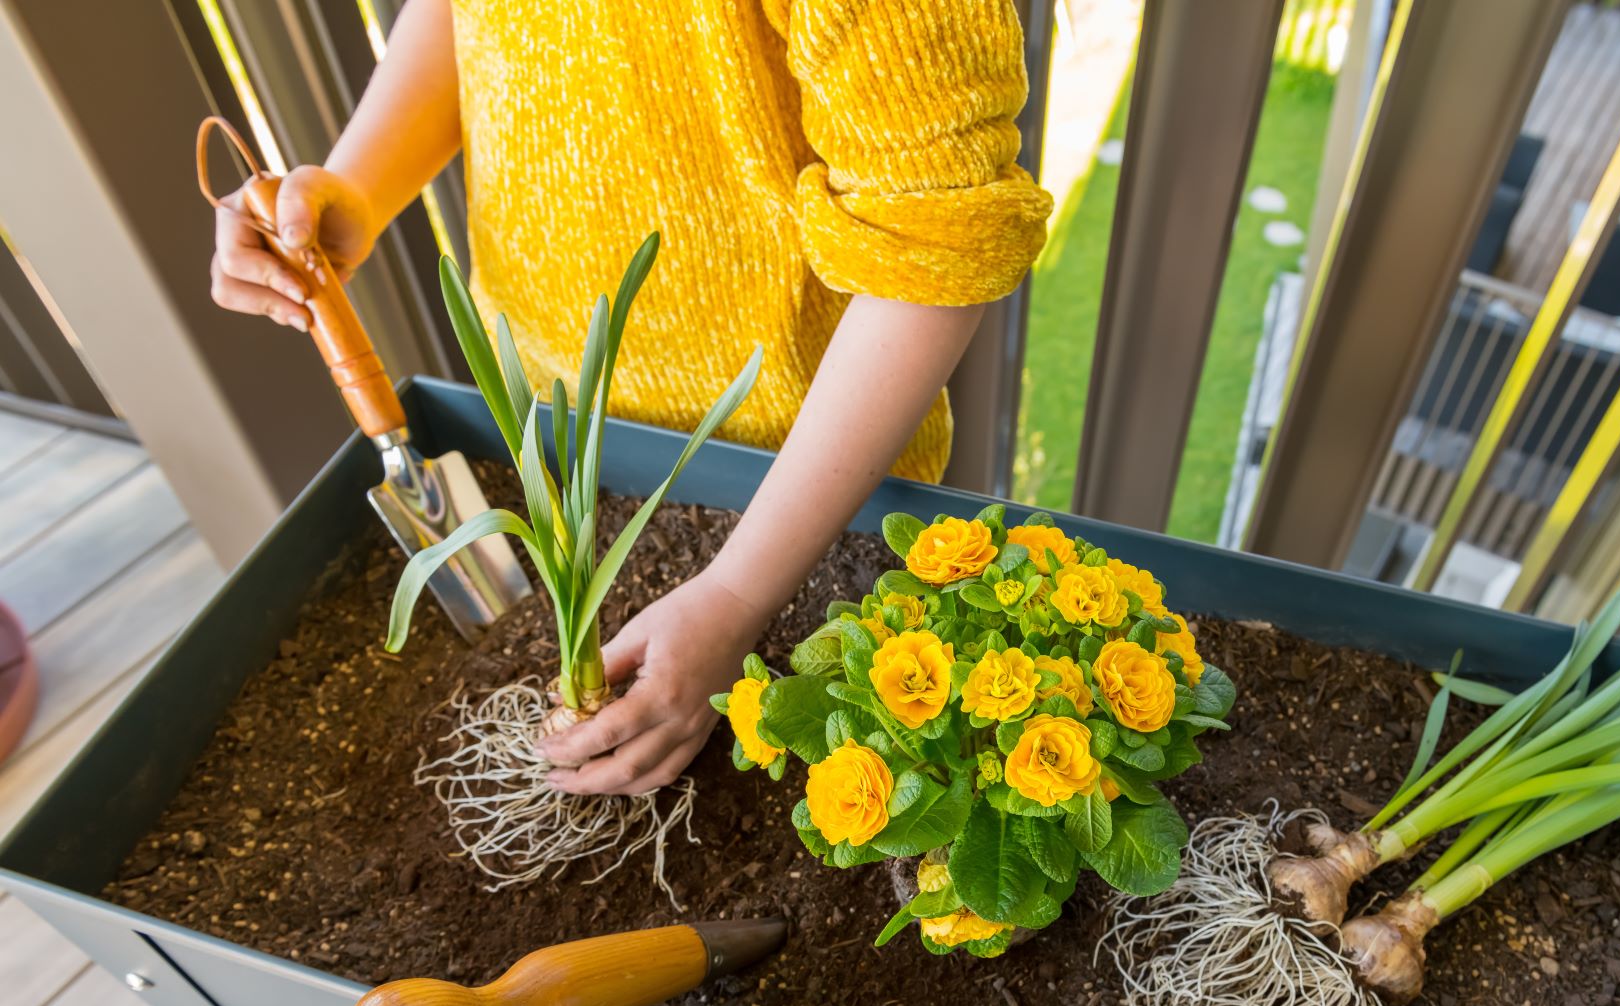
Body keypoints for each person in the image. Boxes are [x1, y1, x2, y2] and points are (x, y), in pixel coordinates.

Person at [210, 0, 1050, 797]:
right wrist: (358, 185)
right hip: (545, 426)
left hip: (795, 486)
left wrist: (736, 597)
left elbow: (937, 235)